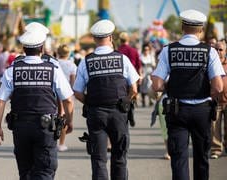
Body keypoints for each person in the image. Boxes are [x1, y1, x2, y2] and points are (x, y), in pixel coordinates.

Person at [0, 25, 74, 180]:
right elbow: (68, 100)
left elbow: (0, 100)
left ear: (23, 48)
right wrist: (69, 122)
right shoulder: (53, 69)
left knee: (25, 172)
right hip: (45, 129)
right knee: (44, 171)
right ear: (42, 48)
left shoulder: (12, 70)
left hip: (21, 127)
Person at [151, 9, 224, 180]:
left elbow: (156, 84)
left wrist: (171, 86)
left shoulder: (169, 50)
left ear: (183, 27)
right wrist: (205, 91)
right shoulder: (210, 52)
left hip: (177, 111)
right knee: (201, 158)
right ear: (201, 29)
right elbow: (219, 86)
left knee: (178, 159)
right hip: (202, 111)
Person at [74, 19, 139, 180]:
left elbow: (77, 92)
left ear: (95, 39)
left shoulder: (86, 61)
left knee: (98, 159)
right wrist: (126, 101)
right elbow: (135, 88)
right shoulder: (122, 59)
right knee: (119, 157)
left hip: (96, 113)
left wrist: (91, 103)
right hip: (119, 112)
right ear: (110, 38)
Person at [56, 44, 77, 152]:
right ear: (68, 53)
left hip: (54, 93)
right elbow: (73, 81)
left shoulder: (54, 63)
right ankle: (61, 143)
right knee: (64, 118)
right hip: (67, 93)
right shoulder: (72, 65)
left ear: (58, 52)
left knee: (53, 116)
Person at [210, 40, 227, 159]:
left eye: (220, 49)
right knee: (214, 127)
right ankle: (216, 149)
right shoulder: (210, 64)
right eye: (216, 49)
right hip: (215, 101)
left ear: (225, 51)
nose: (218, 51)